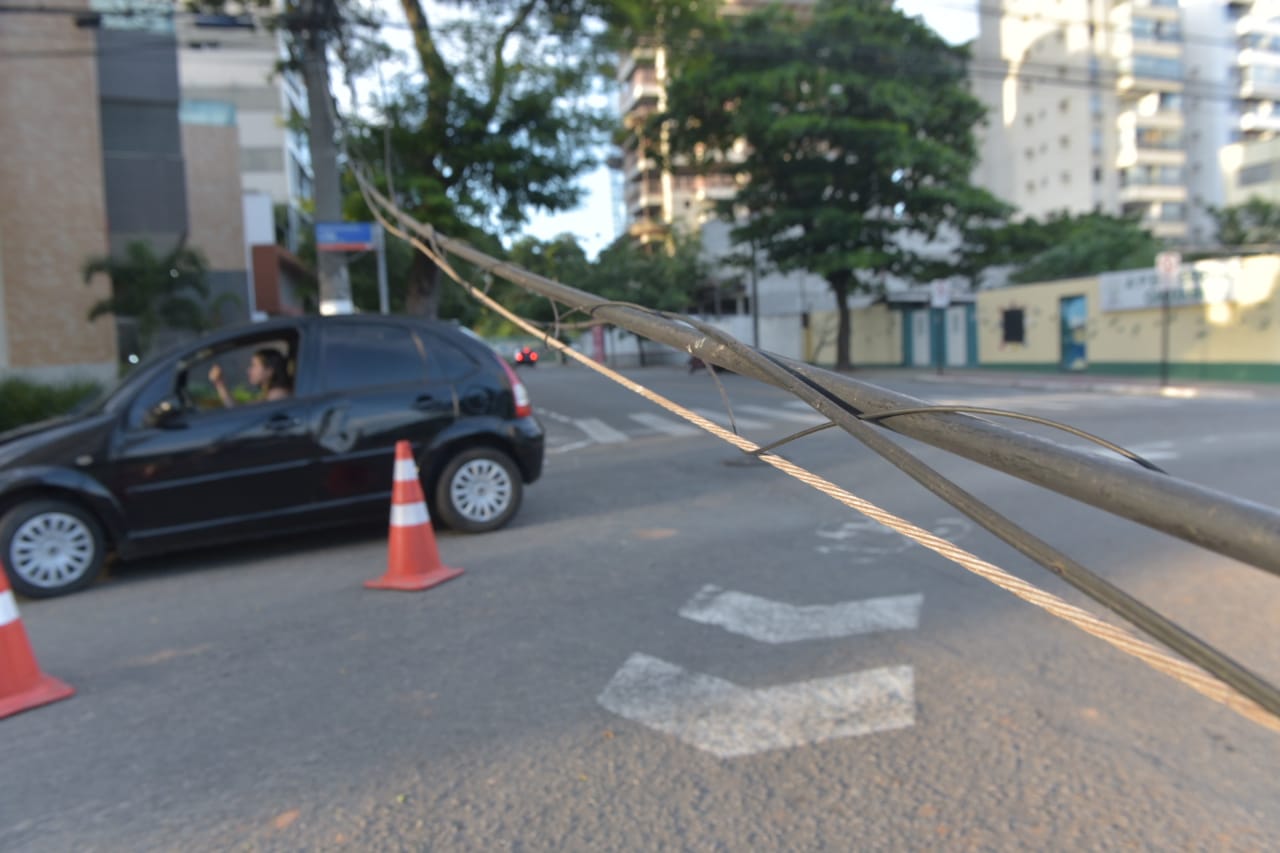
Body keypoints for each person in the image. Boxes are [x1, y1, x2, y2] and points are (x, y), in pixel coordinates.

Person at [209, 348, 291, 407]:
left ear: (269, 371)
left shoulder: (277, 396)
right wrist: (219, 383)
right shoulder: (270, 394)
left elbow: (240, 414)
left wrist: (219, 384)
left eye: (254, 365)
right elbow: (239, 409)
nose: (248, 370)